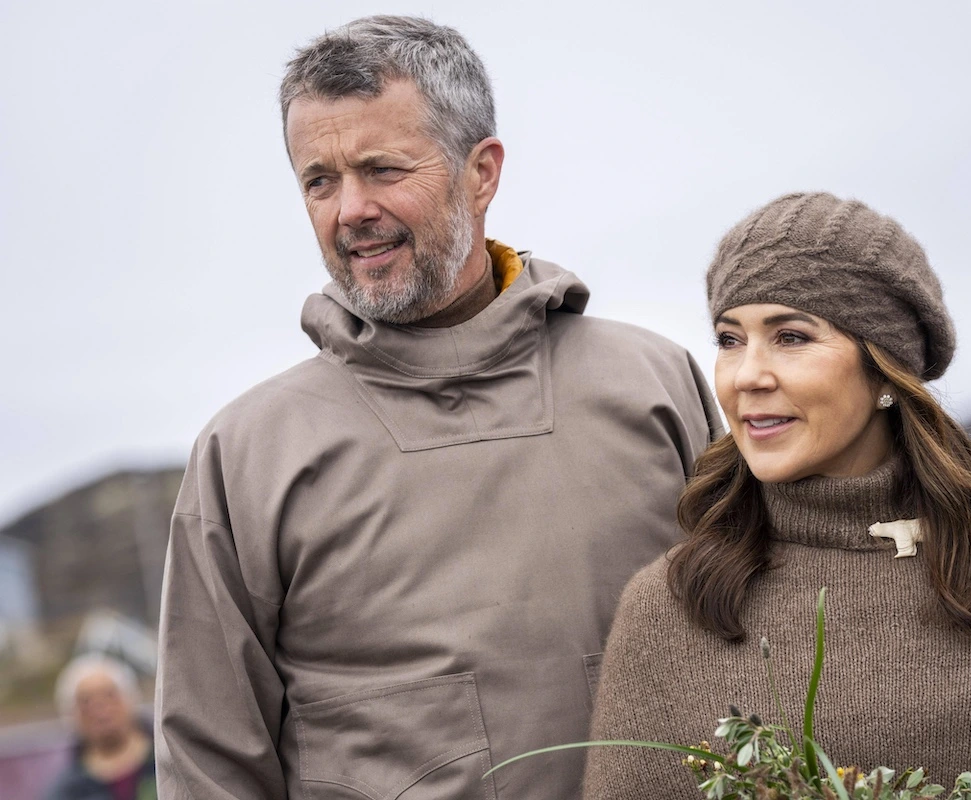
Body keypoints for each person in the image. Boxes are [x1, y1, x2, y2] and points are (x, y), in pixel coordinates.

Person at [154, 15, 718, 800]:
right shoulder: (248, 456)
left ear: (481, 172)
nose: (350, 209)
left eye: (382, 169)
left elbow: (762, 657)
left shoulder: (655, 385)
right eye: (319, 180)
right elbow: (210, 766)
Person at [582, 193, 971, 798]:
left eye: (791, 336)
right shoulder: (670, 604)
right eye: (729, 338)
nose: (748, 375)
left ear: (883, 369)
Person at [45, 654, 155, 800]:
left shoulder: (168, 762)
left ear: (131, 698)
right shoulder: (66, 792)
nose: (100, 709)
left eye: (110, 695)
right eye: (86, 702)